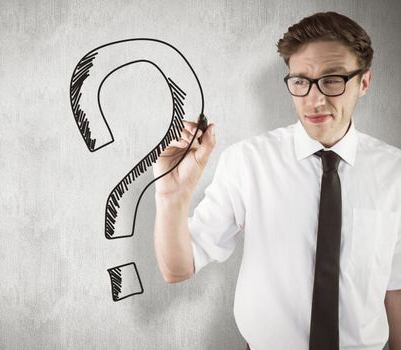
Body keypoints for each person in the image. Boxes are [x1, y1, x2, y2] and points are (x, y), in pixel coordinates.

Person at [153, 11, 401, 350]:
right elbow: (177, 269)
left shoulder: (395, 171)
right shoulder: (247, 162)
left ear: (364, 82)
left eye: (333, 80)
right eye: (301, 81)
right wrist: (171, 197)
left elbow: (396, 287)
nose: (314, 99)